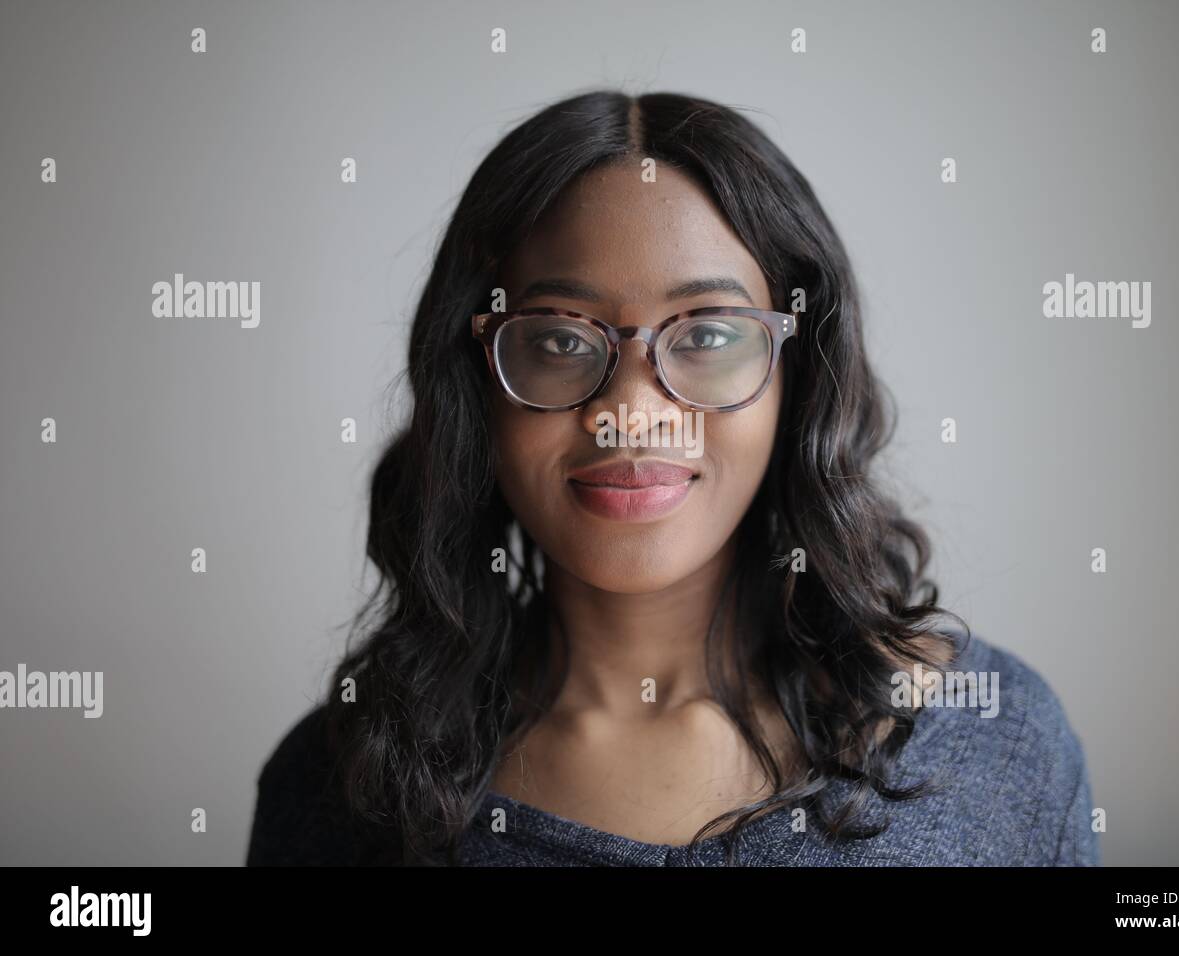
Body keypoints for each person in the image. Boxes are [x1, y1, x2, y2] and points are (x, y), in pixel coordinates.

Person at [246, 90, 1099, 867]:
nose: (630, 414)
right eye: (558, 338)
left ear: (795, 380)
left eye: (706, 335)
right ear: (476, 386)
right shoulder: (342, 784)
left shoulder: (999, 744)